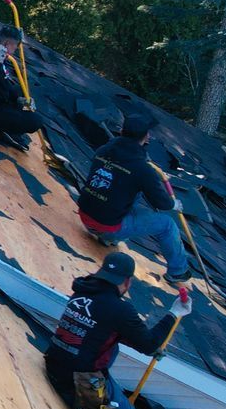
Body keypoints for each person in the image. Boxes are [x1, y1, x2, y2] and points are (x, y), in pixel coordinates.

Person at [44, 252, 210, 409]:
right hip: (81, 383)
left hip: (55, 364)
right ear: (127, 282)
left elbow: (104, 329)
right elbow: (149, 344)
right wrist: (175, 313)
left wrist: (136, 339)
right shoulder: (120, 310)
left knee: (112, 347)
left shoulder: (83, 290)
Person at [76, 111, 193, 285]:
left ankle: (106, 236)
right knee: (167, 225)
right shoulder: (142, 169)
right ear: (147, 137)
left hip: (86, 214)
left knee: (124, 190)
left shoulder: (104, 150)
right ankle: (178, 271)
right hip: (105, 225)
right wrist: (173, 204)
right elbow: (161, 203)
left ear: (122, 131)